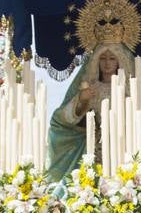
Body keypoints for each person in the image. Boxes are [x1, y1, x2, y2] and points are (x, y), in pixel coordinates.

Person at [46, 42, 133, 180]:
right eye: (102, 58)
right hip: (93, 147)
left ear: (119, 61)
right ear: (96, 60)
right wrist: (81, 99)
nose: (107, 63)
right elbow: (62, 119)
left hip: (124, 144)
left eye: (112, 58)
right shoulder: (91, 88)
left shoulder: (129, 89)